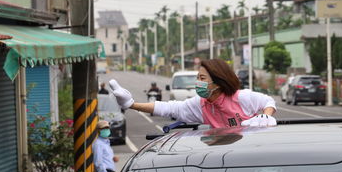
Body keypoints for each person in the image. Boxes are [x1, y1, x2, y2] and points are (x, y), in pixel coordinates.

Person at [109, 58, 277, 128]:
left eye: (202, 78)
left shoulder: (242, 98)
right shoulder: (200, 105)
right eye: (197, 77)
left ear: (218, 82)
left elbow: (268, 102)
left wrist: (266, 117)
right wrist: (131, 104)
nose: (198, 82)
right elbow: (169, 108)